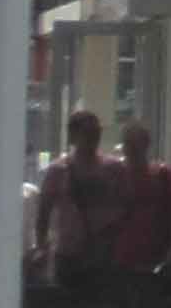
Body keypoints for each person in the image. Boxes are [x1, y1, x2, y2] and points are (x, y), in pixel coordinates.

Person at [33, 108, 130, 281]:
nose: (94, 137)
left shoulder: (114, 169)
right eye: (88, 132)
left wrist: (113, 234)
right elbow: (43, 213)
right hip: (69, 256)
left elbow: (127, 207)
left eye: (97, 132)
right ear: (73, 136)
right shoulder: (58, 170)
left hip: (105, 255)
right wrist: (42, 247)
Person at [108, 124, 171, 274]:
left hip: (156, 257)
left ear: (146, 145)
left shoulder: (165, 176)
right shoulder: (114, 176)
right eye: (128, 143)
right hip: (120, 258)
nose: (131, 149)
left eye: (135, 144)